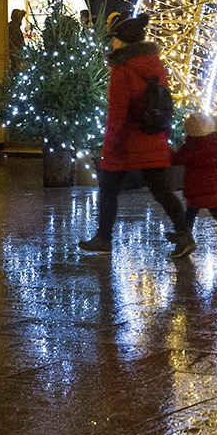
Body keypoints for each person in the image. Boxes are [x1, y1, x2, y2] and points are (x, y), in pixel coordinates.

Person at [78, 16, 189, 255]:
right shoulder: (155, 66)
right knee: (161, 191)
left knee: (108, 188)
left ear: (123, 41)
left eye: (115, 38)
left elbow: (117, 114)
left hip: (127, 143)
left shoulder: (122, 70)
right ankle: (184, 234)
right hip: (153, 140)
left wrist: (109, 145)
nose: (113, 43)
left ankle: (103, 238)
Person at [173, 111, 217, 253]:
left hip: (197, 186)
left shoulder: (192, 146)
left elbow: (178, 159)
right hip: (212, 185)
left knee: (190, 213)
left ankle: (185, 237)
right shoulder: (214, 143)